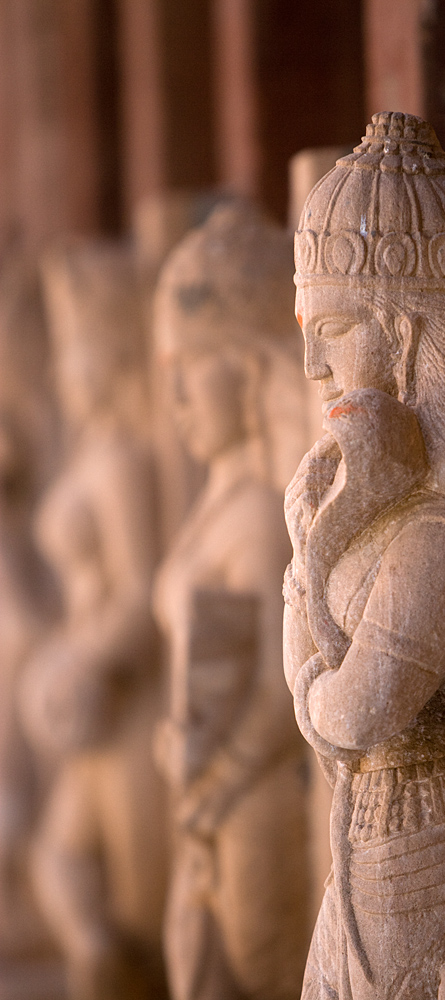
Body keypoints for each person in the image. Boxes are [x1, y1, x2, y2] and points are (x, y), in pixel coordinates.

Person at [283, 112, 445, 1000]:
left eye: (330, 329)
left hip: (419, 846)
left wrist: (321, 539)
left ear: (402, 335)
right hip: (362, 835)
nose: (311, 366)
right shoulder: (380, 520)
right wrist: (316, 535)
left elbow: (352, 716)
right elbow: (318, 695)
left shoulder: (435, 539)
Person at [153, 200, 312, 1000]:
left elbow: (283, 684)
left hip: (250, 797)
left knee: (254, 973)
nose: (175, 394)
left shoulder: (256, 513)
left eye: (194, 366)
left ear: (249, 370)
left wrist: (223, 772)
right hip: (207, 794)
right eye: (169, 370)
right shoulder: (217, 503)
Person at [19, 241, 169, 1000]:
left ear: (108, 360)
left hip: (123, 692)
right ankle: (94, 955)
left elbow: (143, 588)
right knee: (61, 857)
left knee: (129, 893)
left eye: (76, 355)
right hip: (92, 699)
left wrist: (85, 659)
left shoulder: (119, 464)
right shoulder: (92, 452)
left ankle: (109, 962)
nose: (61, 375)